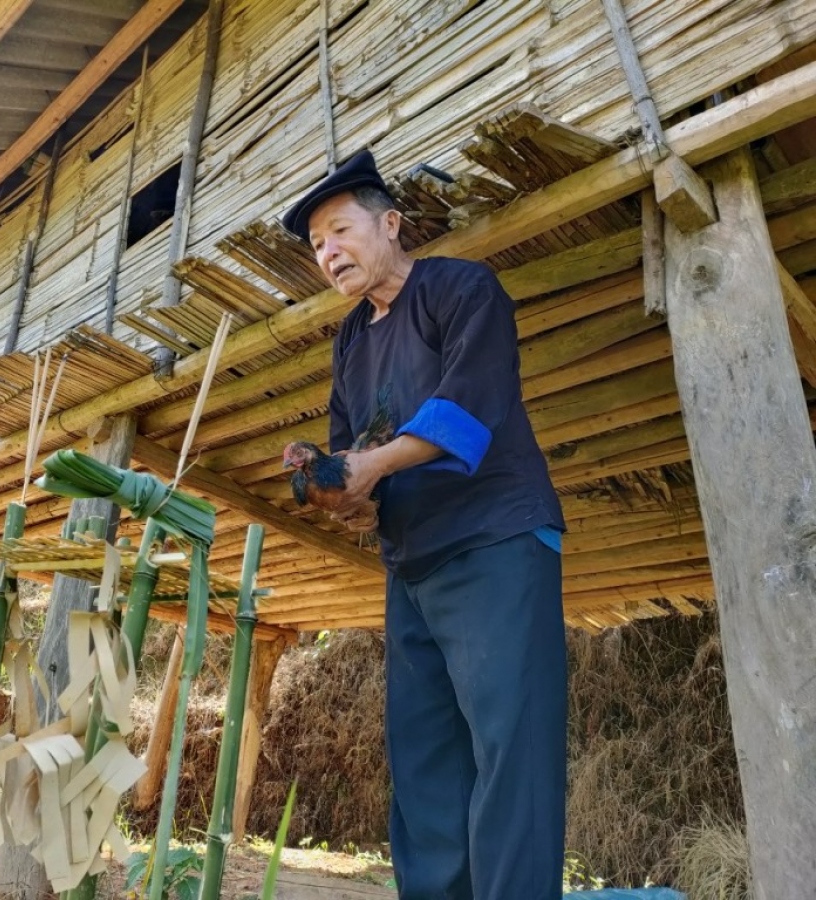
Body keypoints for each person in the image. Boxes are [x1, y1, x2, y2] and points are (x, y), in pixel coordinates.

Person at [282, 150, 568, 900]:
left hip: (496, 540)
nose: (328, 253)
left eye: (339, 231)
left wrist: (369, 466)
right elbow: (354, 470)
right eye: (317, 246)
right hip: (411, 564)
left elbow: (468, 405)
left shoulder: (460, 288)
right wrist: (323, 479)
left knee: (511, 750)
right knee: (427, 764)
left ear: (391, 224)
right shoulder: (350, 341)